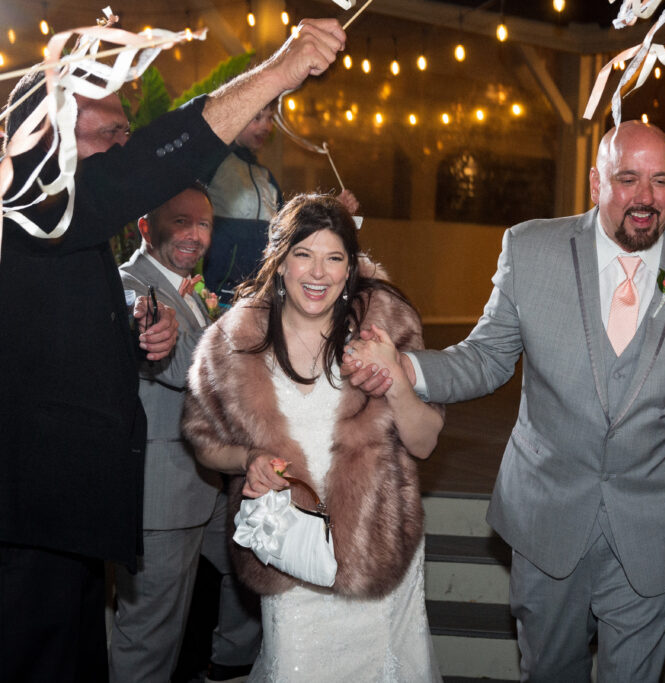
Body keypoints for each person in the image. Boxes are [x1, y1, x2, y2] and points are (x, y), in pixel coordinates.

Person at [345, 120, 665, 681]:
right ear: (595, 184)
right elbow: (486, 358)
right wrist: (405, 367)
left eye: (660, 182)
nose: (645, 198)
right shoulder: (531, 248)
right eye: (627, 179)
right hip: (548, 518)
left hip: (653, 528)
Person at [0, 19, 347, 681]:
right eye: (111, 137)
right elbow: (154, 161)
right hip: (28, 520)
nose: (124, 149)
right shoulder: (27, 195)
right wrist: (277, 71)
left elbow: (38, 335)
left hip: (59, 519)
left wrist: (127, 337)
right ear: (47, 138)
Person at [181, 193, 443, 681]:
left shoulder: (386, 325)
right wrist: (249, 457)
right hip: (290, 556)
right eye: (304, 254)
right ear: (280, 262)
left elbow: (425, 442)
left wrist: (398, 379)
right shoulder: (234, 341)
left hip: (377, 552)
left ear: (351, 268)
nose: (318, 273)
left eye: (334, 258)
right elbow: (201, 439)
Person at [112, 184, 261, 682]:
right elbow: (179, 365)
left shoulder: (188, 286)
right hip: (163, 486)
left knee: (259, 567)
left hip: (206, 479)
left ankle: (229, 663)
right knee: (151, 634)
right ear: (146, 227)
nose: (194, 235)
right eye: (180, 222)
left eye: (204, 224)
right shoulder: (131, 285)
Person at [204, 104, 283, 303]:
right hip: (218, 296)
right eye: (257, 117)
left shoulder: (266, 176)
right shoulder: (213, 164)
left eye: (270, 118)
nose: (265, 126)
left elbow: (288, 225)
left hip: (258, 298)